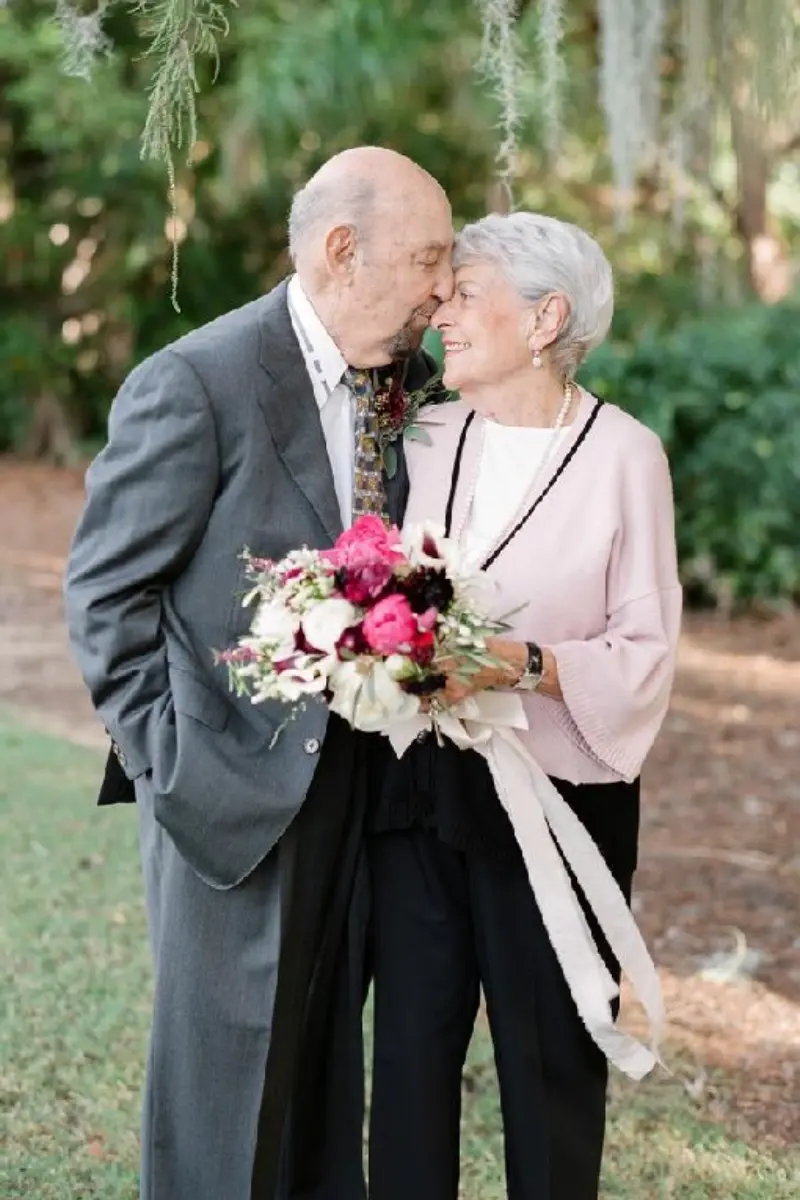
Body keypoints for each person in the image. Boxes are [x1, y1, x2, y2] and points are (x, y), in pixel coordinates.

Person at [64, 145, 454, 1200]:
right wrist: (172, 760)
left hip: (373, 792)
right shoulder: (197, 381)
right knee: (225, 1084)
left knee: (327, 1072)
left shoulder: (406, 385)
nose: (441, 285)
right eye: (426, 258)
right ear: (341, 249)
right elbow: (105, 594)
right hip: (226, 793)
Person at [367, 211, 682, 1200]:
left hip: (556, 804)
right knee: (409, 1057)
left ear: (544, 319)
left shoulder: (626, 458)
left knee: (550, 1071)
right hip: (416, 794)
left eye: (465, 293)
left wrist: (520, 663)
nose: (441, 311)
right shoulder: (421, 434)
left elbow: (643, 655)